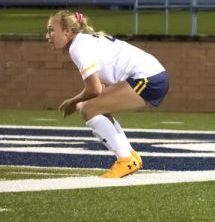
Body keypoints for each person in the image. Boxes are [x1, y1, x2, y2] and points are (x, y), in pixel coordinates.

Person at [45, 10, 169, 179]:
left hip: (148, 78)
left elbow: (95, 89)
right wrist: (78, 102)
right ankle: (130, 156)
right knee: (92, 107)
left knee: (88, 109)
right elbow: (99, 89)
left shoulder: (77, 47)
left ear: (67, 31)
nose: (48, 36)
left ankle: (125, 159)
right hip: (153, 75)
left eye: (52, 30)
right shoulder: (83, 41)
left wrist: (72, 101)